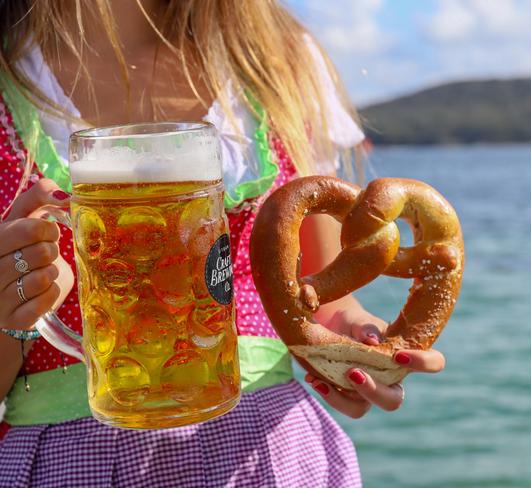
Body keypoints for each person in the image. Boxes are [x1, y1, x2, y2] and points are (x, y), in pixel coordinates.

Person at [0, 1, 446, 486]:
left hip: (270, 452)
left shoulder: (278, 63)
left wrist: (355, 344)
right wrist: (14, 317)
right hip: (70, 459)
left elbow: (322, 296)